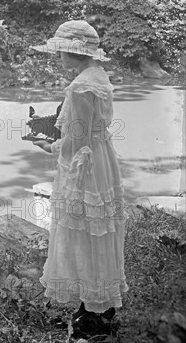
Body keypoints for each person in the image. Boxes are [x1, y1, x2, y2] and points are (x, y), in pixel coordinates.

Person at [30, 20, 128, 336]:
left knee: (85, 230)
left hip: (84, 164)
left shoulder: (80, 87)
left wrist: (50, 146)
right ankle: (98, 303)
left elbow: (78, 137)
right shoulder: (97, 77)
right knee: (98, 230)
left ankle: (93, 312)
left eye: (60, 52)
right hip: (101, 157)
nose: (57, 58)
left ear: (74, 52)